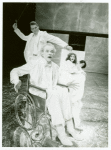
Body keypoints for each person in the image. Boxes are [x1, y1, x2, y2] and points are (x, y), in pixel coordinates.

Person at [10, 43, 81, 146]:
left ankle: (70, 128)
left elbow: (60, 80)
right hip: (37, 92)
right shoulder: (34, 63)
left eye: (52, 51)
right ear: (42, 53)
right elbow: (15, 70)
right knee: (53, 93)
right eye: (47, 51)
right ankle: (62, 134)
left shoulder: (55, 66)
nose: (49, 53)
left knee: (64, 91)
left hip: (50, 91)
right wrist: (16, 81)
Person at [58, 53, 86, 130]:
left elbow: (76, 70)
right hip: (65, 80)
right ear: (69, 57)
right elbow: (70, 71)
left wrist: (80, 71)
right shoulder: (67, 62)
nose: (72, 57)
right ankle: (67, 123)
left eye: (74, 56)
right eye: (71, 56)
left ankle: (74, 123)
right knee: (70, 103)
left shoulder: (74, 64)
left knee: (74, 103)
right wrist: (79, 72)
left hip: (70, 80)